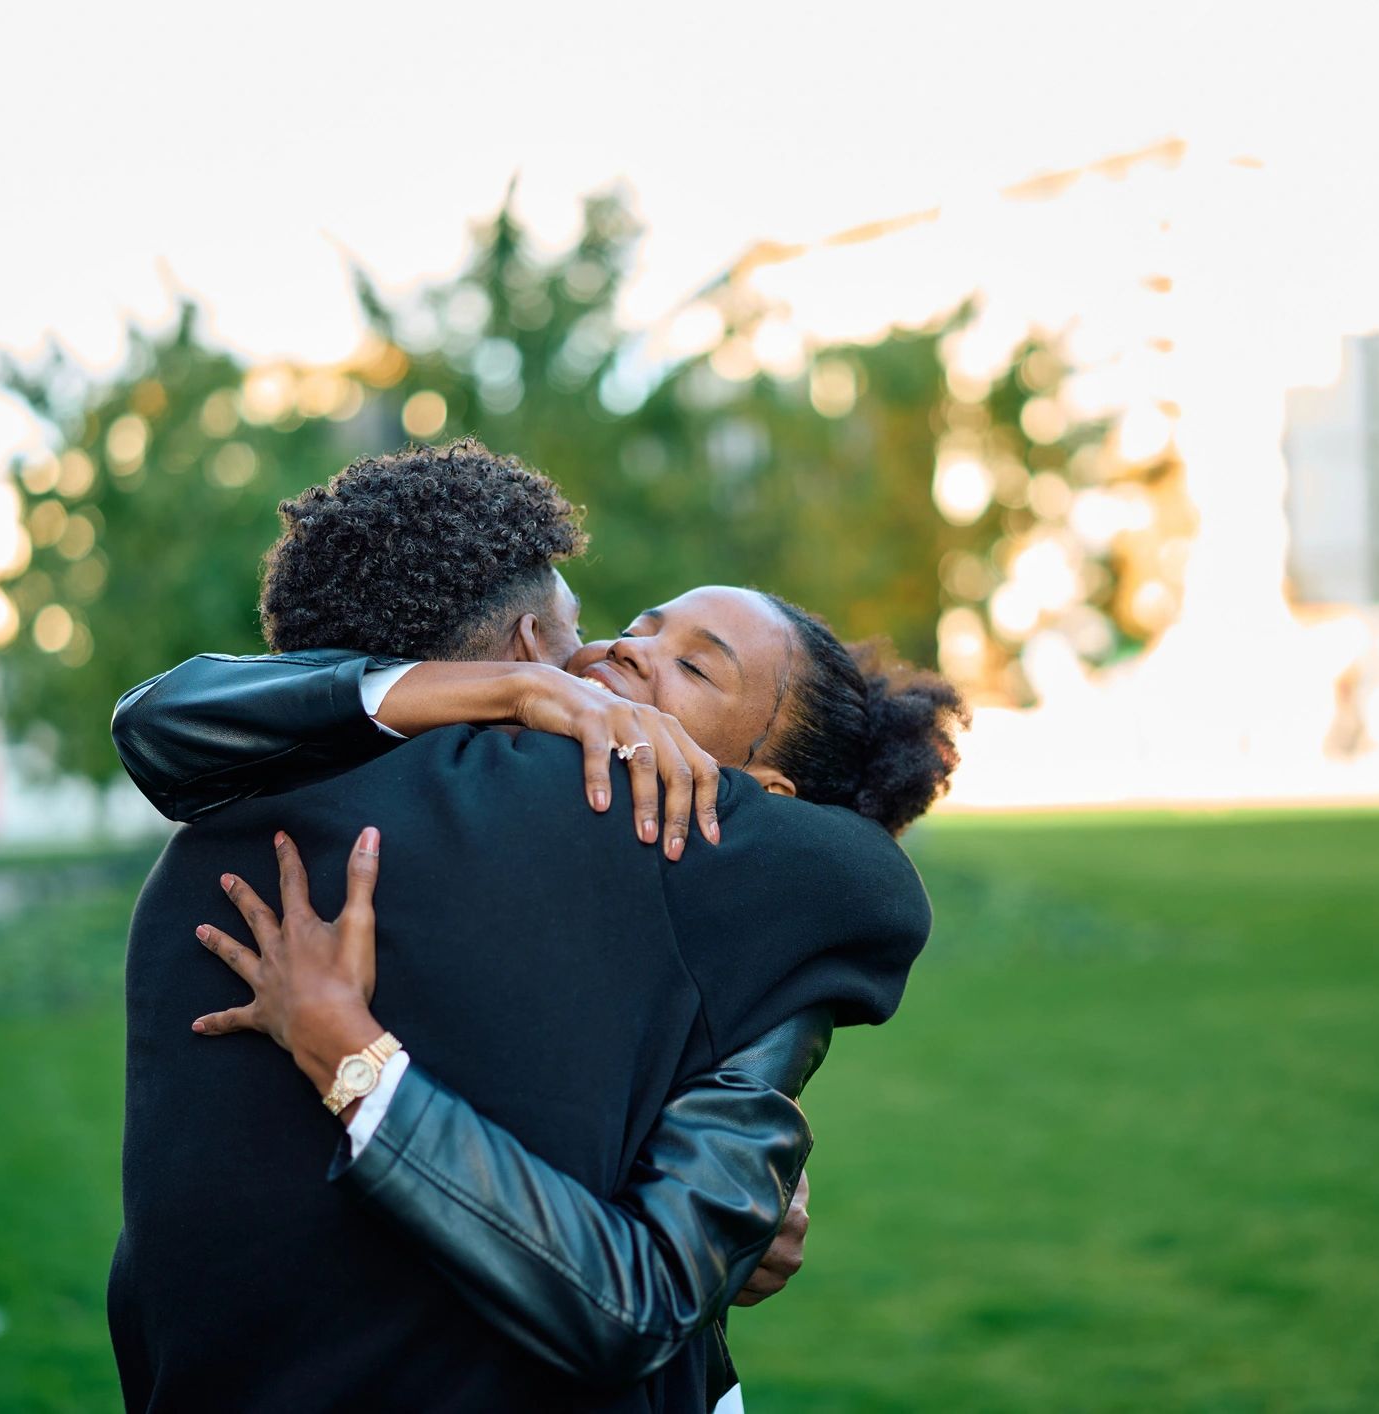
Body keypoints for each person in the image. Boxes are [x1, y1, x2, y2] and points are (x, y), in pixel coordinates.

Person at [108, 440, 964, 1412]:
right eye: (632, 628)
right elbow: (156, 716)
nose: (624, 651)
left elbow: (644, 1286)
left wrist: (350, 1055)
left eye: (693, 665)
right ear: (524, 649)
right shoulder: (353, 777)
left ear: (761, 794)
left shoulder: (758, 876)